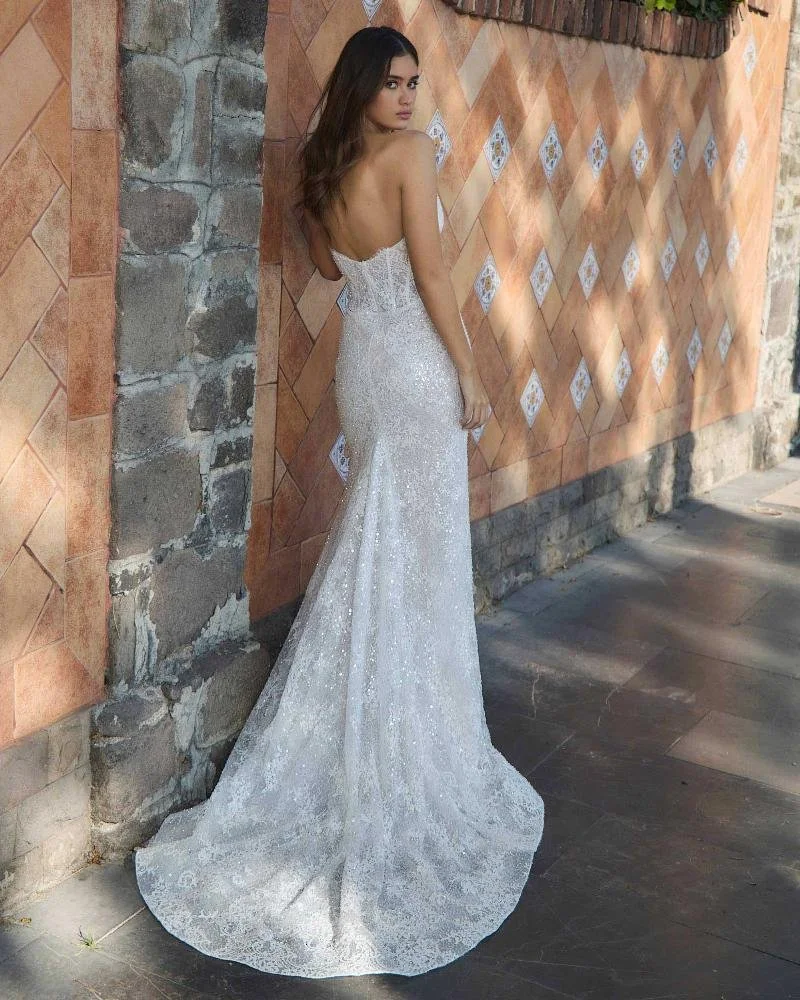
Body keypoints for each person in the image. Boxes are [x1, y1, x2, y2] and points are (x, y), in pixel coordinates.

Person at [134, 25, 545, 979]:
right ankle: (408, 737)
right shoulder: (410, 156)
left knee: (379, 541)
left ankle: (365, 713)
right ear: (365, 87)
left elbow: (329, 272)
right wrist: (471, 374)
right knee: (419, 553)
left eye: (414, 82)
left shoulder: (325, 173)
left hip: (365, 368)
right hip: (414, 371)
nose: (407, 96)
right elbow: (436, 276)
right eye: (393, 82)